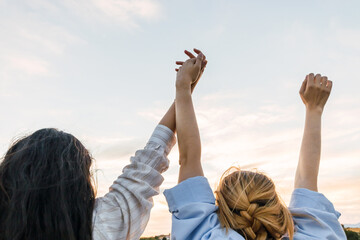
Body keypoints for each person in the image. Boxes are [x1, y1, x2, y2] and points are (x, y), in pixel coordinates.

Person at [0, 49, 207, 240]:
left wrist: (184, 90)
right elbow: (152, 157)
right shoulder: (102, 224)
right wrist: (184, 88)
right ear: (77, 182)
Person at [164, 66, 347, 239]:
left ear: (222, 209)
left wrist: (183, 86)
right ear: (274, 204)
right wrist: (314, 108)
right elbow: (306, 179)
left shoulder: (204, 235)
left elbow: (188, 157)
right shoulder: (315, 236)